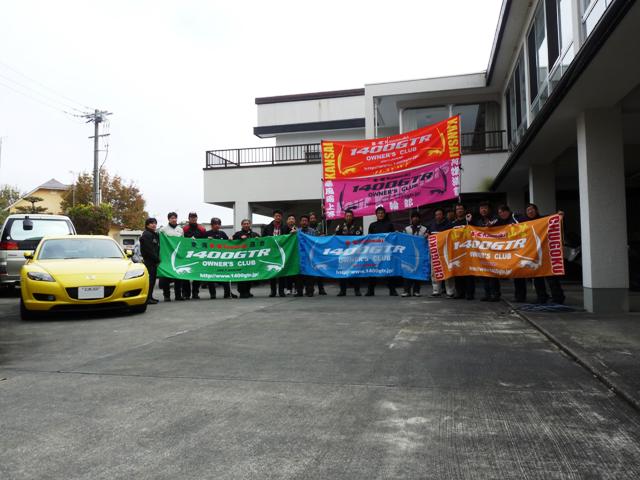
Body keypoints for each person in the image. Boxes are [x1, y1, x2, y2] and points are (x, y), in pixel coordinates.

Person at [520, 203, 566, 304]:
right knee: (537, 278)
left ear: (536, 210)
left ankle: (558, 297)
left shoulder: (544, 219)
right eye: (528, 210)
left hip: (547, 253)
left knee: (551, 277)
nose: (530, 211)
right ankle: (542, 297)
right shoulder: (524, 223)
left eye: (532, 209)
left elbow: (555, 220)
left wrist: (559, 215)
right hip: (533, 254)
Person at [495, 205, 525, 302]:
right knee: (515, 274)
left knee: (519, 274)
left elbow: (528, 223)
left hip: (520, 249)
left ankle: (521, 296)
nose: (501, 214)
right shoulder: (500, 221)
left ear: (507, 211)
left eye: (502, 212)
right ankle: (518, 296)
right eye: (499, 213)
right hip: (510, 250)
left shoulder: (516, 217)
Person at [366, 206, 398, 296]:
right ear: (376, 215)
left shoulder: (389, 224)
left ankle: (392, 290)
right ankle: (370, 291)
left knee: (389, 270)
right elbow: (369, 238)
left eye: (382, 213)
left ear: (384, 214)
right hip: (375, 252)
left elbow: (393, 237)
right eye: (378, 213)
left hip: (386, 251)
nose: (380, 214)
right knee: (372, 271)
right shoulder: (372, 225)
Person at [473, 201, 501, 302]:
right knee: (484, 274)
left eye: (485, 208)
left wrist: (492, 226)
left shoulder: (496, 219)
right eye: (481, 208)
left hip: (493, 250)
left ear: (489, 209)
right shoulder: (478, 222)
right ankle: (487, 294)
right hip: (482, 251)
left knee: (493, 274)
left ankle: (495, 294)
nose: (483, 210)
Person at [205, 217, 238, 299]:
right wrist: (205, 239)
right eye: (215, 224)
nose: (217, 225)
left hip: (221, 260)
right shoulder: (206, 234)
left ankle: (228, 293)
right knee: (210, 277)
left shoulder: (222, 233)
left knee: (225, 276)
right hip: (210, 260)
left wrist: (230, 239)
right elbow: (199, 243)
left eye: (218, 224)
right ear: (211, 225)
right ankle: (213, 294)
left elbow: (229, 244)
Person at [262, 210, 292, 297]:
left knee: (281, 271)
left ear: (281, 217)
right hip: (271, 252)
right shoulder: (267, 227)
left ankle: (281, 291)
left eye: (279, 216)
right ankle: (273, 291)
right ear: (273, 217)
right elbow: (262, 238)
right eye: (276, 216)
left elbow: (291, 236)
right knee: (272, 271)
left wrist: (292, 232)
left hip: (282, 251)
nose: (277, 217)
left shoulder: (285, 227)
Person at [426, 208, 455, 298]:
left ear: (443, 215)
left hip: (446, 251)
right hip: (435, 251)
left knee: (448, 271)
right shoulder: (431, 224)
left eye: (439, 214)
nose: (438, 216)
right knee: (435, 271)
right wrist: (427, 235)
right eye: (436, 215)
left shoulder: (449, 224)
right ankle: (436, 290)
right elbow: (427, 233)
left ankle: (450, 292)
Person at [334, 209, 363, 296]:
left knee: (355, 272)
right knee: (342, 272)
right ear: (344, 217)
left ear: (353, 217)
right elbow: (336, 238)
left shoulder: (358, 226)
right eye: (347, 216)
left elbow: (359, 238)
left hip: (354, 253)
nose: (349, 217)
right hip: (343, 253)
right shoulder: (340, 226)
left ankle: (357, 290)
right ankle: (342, 291)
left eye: (350, 216)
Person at [451, 203, 475, 300]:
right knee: (458, 272)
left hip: (469, 250)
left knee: (469, 273)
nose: (459, 210)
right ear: (455, 211)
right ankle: (460, 293)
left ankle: (470, 293)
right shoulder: (453, 223)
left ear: (464, 210)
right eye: (457, 209)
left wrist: (470, 222)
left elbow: (477, 230)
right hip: (457, 251)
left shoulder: (469, 221)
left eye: (461, 209)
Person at [158, 212, 184, 301]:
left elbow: (183, 242)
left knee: (178, 276)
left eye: (175, 218)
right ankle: (166, 296)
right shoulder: (163, 230)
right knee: (166, 277)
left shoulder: (180, 230)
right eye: (172, 218)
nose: (174, 219)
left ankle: (178, 295)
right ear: (168, 219)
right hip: (166, 256)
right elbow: (160, 242)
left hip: (177, 256)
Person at [402, 212, 428, 297]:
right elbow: (403, 239)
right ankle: (406, 291)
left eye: (417, 217)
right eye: (414, 217)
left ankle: (416, 291)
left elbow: (427, 240)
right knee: (407, 271)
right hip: (409, 254)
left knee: (418, 272)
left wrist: (427, 236)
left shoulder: (424, 229)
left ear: (419, 218)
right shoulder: (407, 229)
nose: (415, 218)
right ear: (411, 219)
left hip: (419, 254)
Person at [182, 212, 207, 299]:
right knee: (185, 274)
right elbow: (180, 241)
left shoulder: (202, 229)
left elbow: (205, 242)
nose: (193, 219)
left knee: (197, 274)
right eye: (191, 217)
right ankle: (186, 294)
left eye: (195, 217)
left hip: (198, 255)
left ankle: (195, 293)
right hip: (186, 255)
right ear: (189, 219)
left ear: (197, 218)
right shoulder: (184, 229)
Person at [233, 219, 260, 298]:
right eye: (244, 224)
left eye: (247, 223)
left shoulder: (255, 234)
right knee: (241, 276)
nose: (246, 225)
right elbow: (231, 242)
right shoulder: (238, 234)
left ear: (250, 224)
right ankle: (242, 292)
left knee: (249, 276)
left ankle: (248, 291)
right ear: (242, 225)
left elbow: (262, 242)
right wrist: (239, 238)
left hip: (251, 259)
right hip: (241, 259)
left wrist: (258, 239)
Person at [139, 217, 160, 305]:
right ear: (147, 225)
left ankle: (150, 297)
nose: (154, 225)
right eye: (151, 223)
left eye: (155, 223)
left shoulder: (154, 234)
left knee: (152, 280)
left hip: (153, 261)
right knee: (150, 281)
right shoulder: (147, 235)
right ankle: (147, 298)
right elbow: (149, 250)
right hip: (149, 261)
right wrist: (157, 259)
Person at [295, 215, 317, 297]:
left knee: (310, 274)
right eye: (303, 220)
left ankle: (310, 291)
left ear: (308, 222)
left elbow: (316, 242)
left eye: (306, 221)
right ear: (300, 222)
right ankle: (299, 292)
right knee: (299, 275)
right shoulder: (296, 231)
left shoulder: (313, 232)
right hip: (299, 256)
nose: (304, 222)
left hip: (309, 256)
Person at [308, 212, 327, 295]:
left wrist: (325, 216)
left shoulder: (320, 225)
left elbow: (327, 223)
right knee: (311, 271)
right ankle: (311, 289)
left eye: (314, 218)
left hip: (319, 251)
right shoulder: (307, 228)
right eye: (311, 218)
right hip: (310, 251)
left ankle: (321, 289)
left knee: (319, 270)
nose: (312, 220)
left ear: (316, 219)